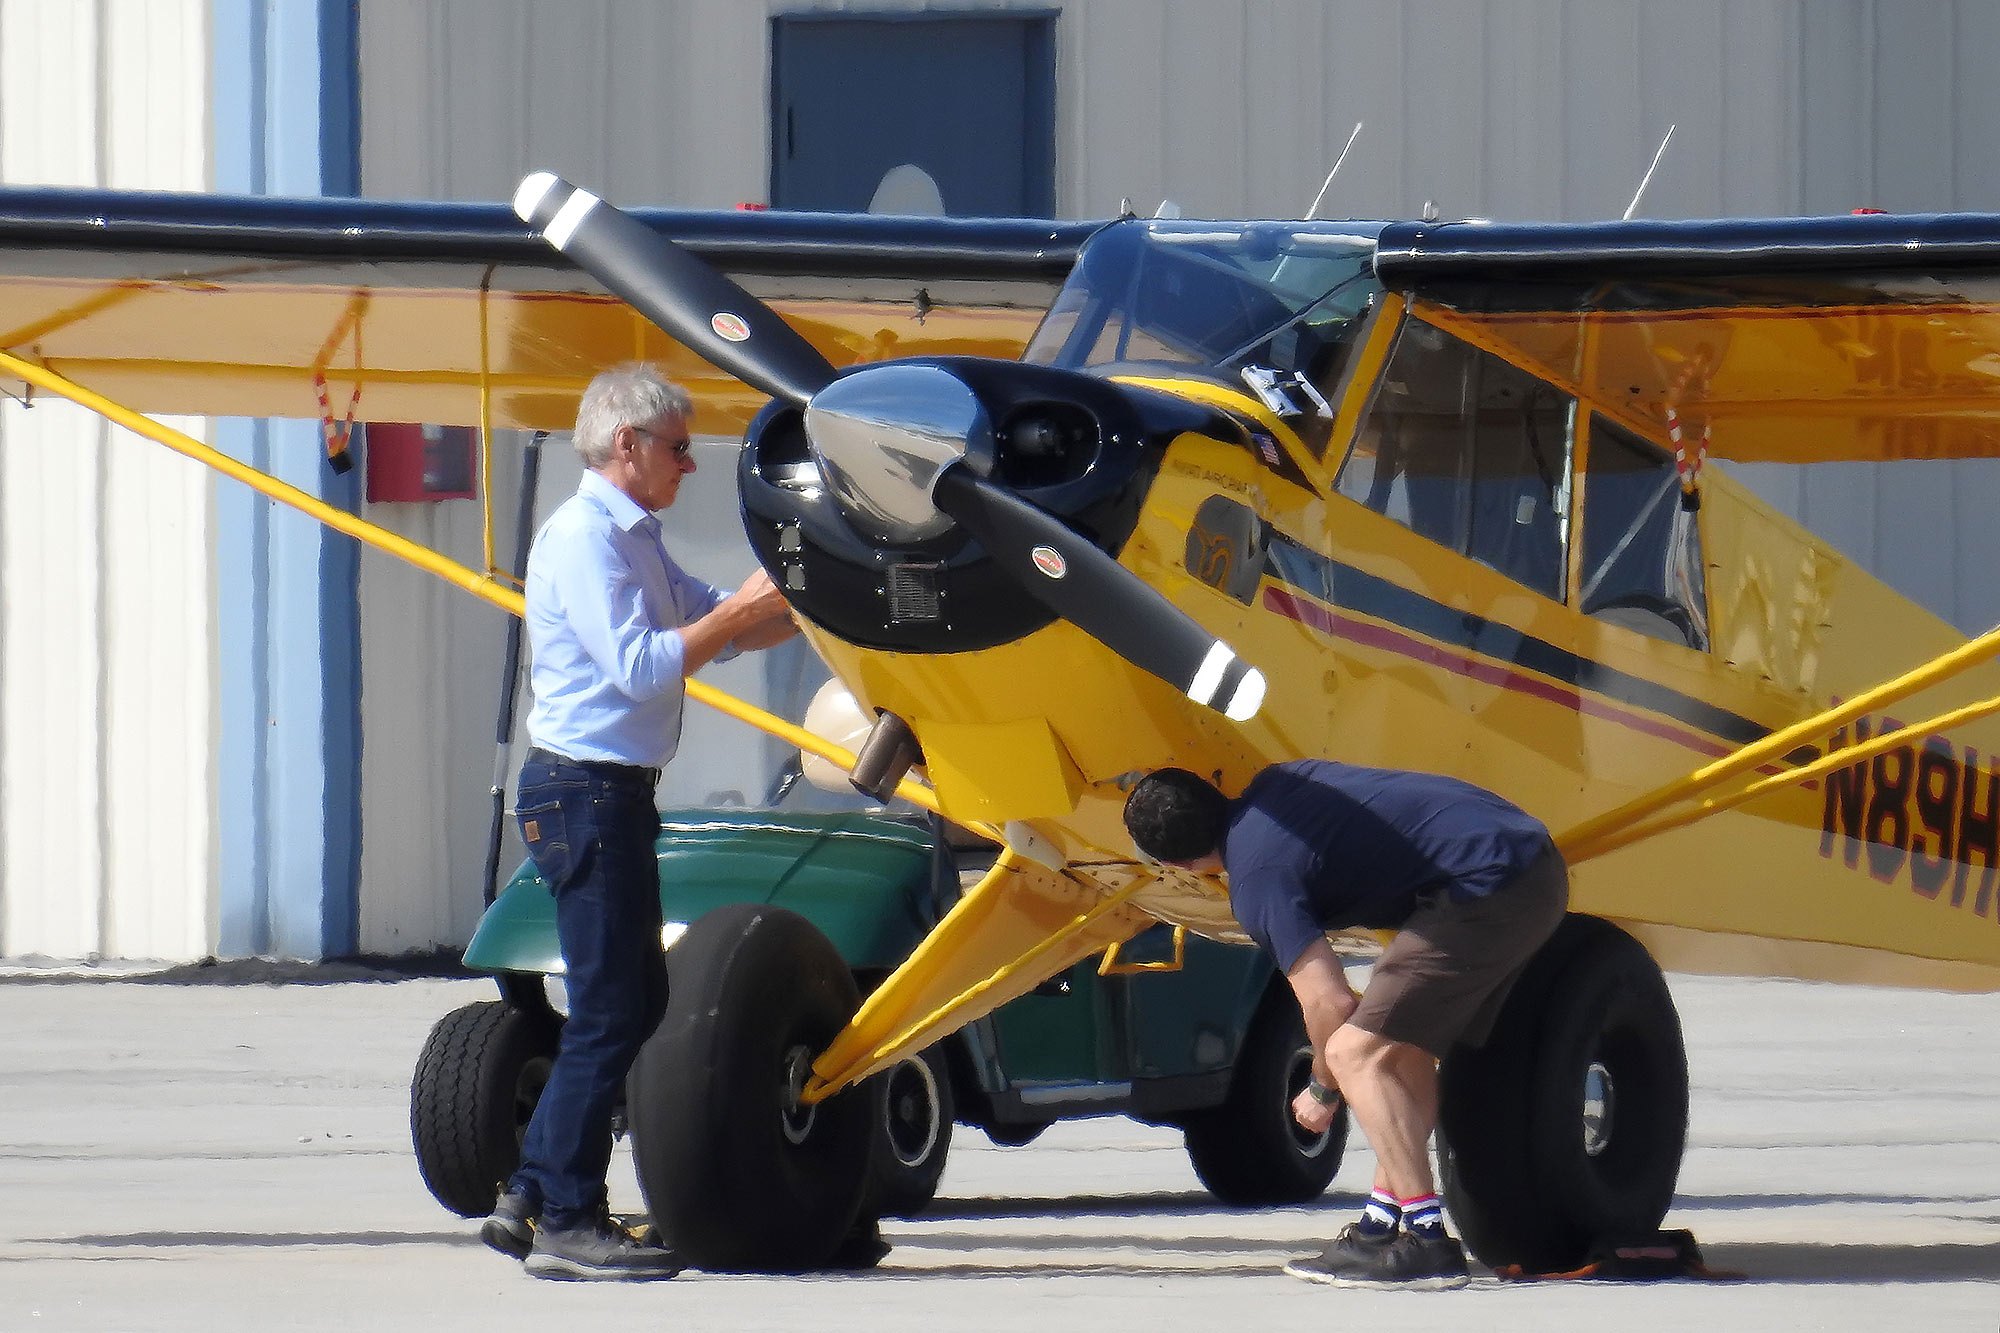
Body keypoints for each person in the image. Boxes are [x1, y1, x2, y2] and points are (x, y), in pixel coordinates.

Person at [481, 364, 798, 1281]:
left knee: (635, 1002)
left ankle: (534, 1190)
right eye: (679, 446)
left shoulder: (633, 540)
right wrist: (739, 610)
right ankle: (568, 1218)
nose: (689, 464)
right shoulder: (587, 540)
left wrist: (803, 601)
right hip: (585, 791)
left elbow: (720, 625)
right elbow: (643, 667)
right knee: (616, 1005)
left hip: (605, 794)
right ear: (629, 445)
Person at [1122, 759, 1568, 1290]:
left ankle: (1427, 1241)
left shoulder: (1257, 881)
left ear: (1179, 865)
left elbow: (1329, 1001)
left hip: (1487, 886)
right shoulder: (1280, 781)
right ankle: (1381, 1226)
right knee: (1402, 1050)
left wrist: (1322, 1089)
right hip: (1524, 861)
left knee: (1352, 1054)